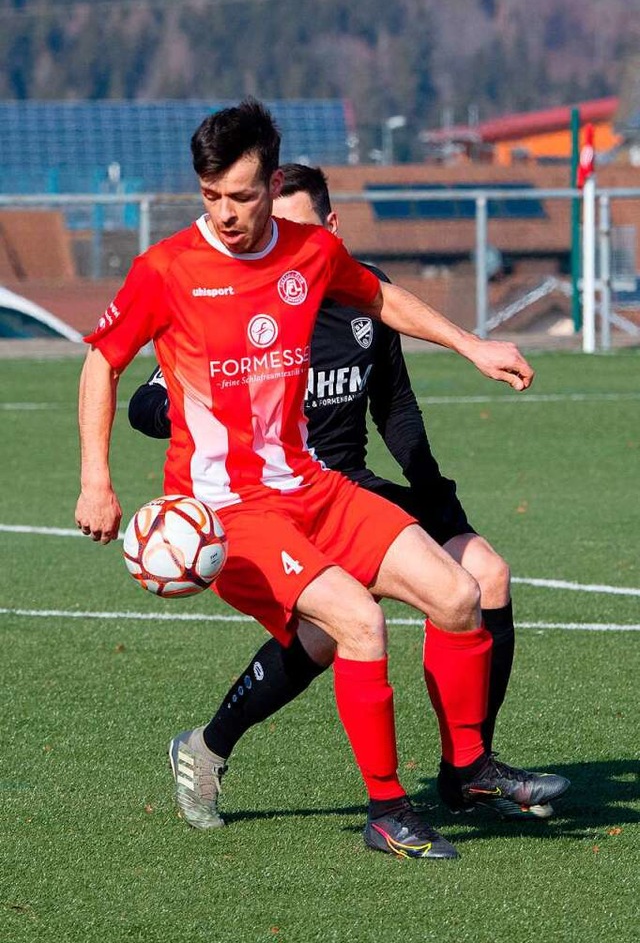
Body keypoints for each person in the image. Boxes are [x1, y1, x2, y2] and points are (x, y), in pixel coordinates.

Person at [76, 99, 568, 861]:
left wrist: (472, 345)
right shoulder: (167, 269)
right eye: (211, 196)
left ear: (272, 184)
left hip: (314, 485)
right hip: (226, 510)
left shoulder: (307, 251)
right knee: (357, 624)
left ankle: (468, 768)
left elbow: (379, 297)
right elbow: (101, 362)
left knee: (460, 593)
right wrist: (95, 478)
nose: (227, 213)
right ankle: (386, 810)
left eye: (242, 195)